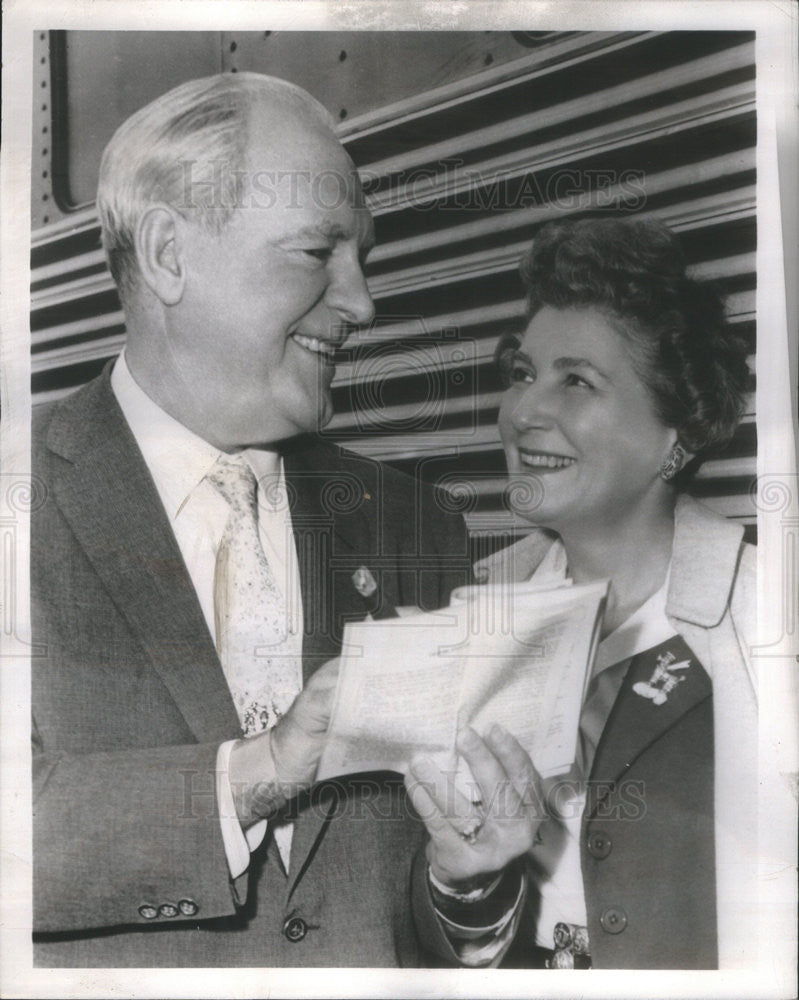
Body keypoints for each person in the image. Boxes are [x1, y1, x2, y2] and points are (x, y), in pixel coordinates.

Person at [30, 72, 541, 968]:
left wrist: (469, 885)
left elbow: (411, 925)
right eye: (316, 253)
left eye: (363, 261)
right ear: (167, 255)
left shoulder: (416, 527)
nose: (361, 303)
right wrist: (261, 770)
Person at [474, 216, 756, 969]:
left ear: (679, 434)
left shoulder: (770, 617)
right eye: (522, 373)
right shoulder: (476, 607)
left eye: (576, 381)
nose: (523, 412)